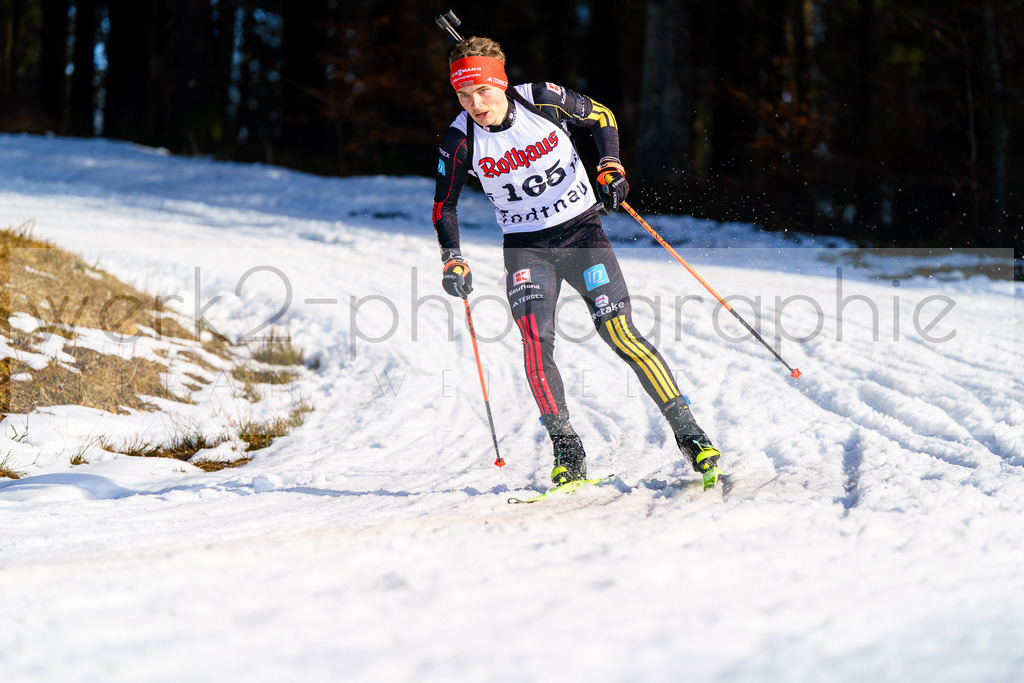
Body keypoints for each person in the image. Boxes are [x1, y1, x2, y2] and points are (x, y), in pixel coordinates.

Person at [432, 36, 721, 486]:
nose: (475, 103)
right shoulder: (460, 140)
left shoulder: (541, 100)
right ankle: (566, 446)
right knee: (534, 343)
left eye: (482, 91)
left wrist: (610, 165)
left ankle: (690, 433)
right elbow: (443, 206)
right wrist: (453, 258)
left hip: (582, 232)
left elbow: (601, 116)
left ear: (501, 84)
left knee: (620, 333)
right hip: (526, 248)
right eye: (463, 95)